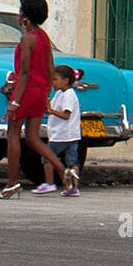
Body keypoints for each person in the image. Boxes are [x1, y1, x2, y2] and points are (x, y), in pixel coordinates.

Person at [0, 0, 71, 199]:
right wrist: (46, 94)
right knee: (33, 138)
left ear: (26, 17)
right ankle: (63, 171)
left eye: (21, 11)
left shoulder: (27, 39)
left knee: (13, 135)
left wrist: (14, 102)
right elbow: (50, 68)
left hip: (26, 92)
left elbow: (24, 73)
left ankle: (12, 184)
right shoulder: (43, 37)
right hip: (39, 92)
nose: (18, 14)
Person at [34, 63, 82, 197]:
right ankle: (73, 188)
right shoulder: (60, 93)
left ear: (65, 80)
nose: (52, 83)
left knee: (47, 158)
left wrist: (52, 111)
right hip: (72, 135)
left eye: (55, 79)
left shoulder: (68, 95)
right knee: (73, 162)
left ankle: (50, 183)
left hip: (61, 135)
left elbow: (66, 115)